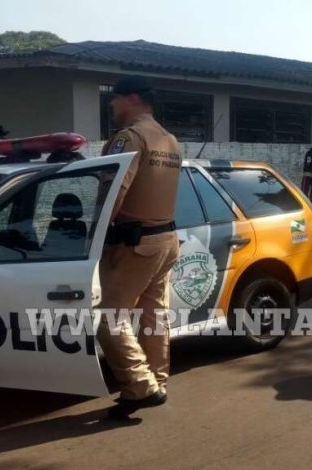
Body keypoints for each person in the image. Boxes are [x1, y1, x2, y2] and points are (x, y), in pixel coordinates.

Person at [97, 75, 182, 419]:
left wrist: (94, 233)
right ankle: (157, 382)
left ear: (131, 98)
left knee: (108, 319)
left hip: (134, 244)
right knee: (154, 315)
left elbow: (114, 190)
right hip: (165, 241)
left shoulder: (129, 137)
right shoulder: (170, 139)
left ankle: (140, 386)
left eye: (114, 99)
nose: (111, 106)